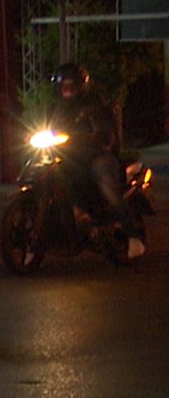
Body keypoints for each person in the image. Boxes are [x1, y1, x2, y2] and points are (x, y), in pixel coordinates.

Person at [51, 62, 144, 258]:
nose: (67, 91)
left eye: (71, 87)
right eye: (64, 87)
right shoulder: (57, 107)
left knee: (107, 187)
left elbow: (108, 131)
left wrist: (98, 134)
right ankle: (76, 216)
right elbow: (45, 124)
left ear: (81, 87)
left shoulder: (96, 104)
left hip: (98, 156)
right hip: (72, 158)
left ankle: (134, 239)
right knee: (56, 175)